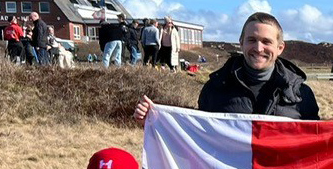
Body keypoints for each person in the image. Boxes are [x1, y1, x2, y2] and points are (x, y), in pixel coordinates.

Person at [135, 12, 320, 122]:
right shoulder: (215, 88)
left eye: (266, 42)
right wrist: (155, 120)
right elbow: (196, 139)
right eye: (252, 40)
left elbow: (319, 146)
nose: (258, 48)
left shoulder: (302, 95)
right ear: (241, 43)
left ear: (280, 48)